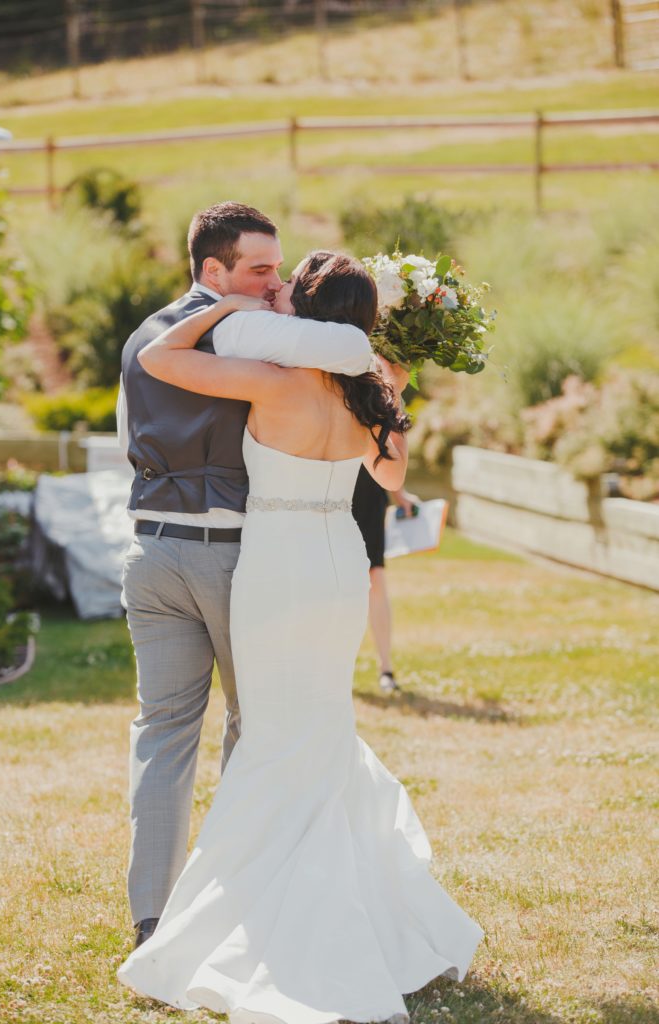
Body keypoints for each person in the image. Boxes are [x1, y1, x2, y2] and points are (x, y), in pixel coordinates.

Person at [118, 250, 483, 1024]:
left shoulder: (274, 379)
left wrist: (222, 306)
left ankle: (262, 918)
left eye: (286, 291)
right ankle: (350, 901)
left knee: (278, 737)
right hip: (340, 565)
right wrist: (393, 385)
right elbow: (387, 481)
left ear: (307, 315)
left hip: (277, 565)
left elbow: (160, 357)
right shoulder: (371, 389)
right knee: (318, 726)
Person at [118, 203, 373, 950]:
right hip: (230, 556)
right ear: (213, 271)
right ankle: (231, 909)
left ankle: (152, 919)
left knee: (161, 735)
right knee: (252, 730)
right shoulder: (249, 336)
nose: (272, 284)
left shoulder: (147, 332)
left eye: (277, 269)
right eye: (260, 269)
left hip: (151, 552)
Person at [352, 468, 420, 692]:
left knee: (375, 576)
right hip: (331, 488)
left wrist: (399, 492)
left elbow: (383, 438)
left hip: (369, 491)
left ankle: (386, 669)